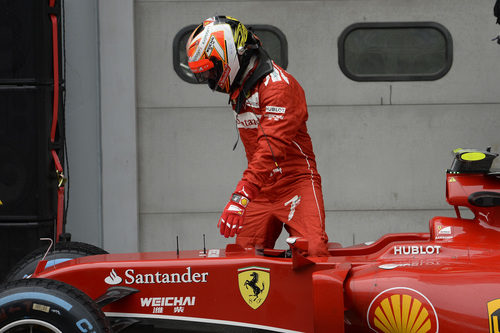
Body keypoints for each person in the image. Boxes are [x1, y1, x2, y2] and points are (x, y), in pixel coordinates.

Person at [186, 16, 329, 256]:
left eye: (210, 72)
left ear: (229, 56)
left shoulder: (279, 87)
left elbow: (270, 149)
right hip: (262, 188)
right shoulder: (242, 85)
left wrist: (241, 196)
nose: (209, 80)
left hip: (296, 183)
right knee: (241, 262)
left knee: (313, 254)